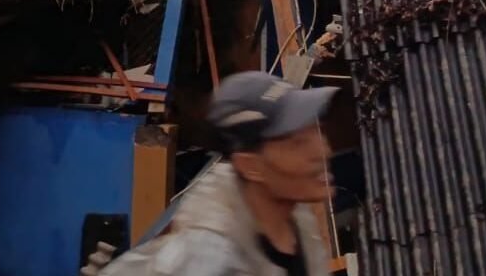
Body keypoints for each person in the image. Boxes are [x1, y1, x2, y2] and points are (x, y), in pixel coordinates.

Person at [93, 71, 337, 275]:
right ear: (250, 166)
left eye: (315, 133)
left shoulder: (296, 223)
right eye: (297, 144)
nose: (323, 152)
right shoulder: (209, 262)